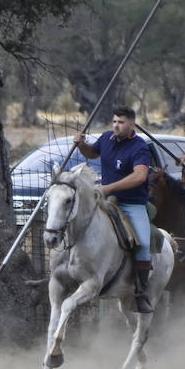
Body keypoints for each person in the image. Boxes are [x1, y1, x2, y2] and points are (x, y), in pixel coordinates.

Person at [74, 106, 157, 314]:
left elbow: (139, 176)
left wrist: (107, 188)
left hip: (131, 204)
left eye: (121, 122)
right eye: (114, 122)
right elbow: (91, 152)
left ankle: (140, 292)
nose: (116, 126)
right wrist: (80, 144)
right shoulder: (106, 138)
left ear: (131, 124)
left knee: (144, 244)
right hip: (106, 200)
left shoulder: (139, 147)